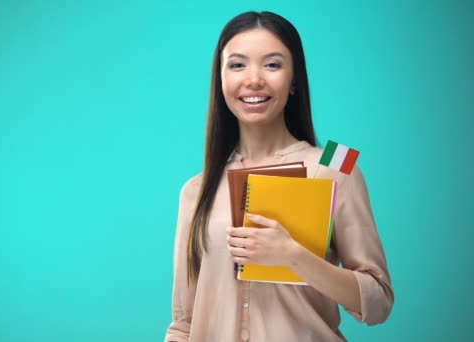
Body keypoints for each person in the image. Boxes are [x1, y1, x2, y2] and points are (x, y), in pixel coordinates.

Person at [164, 11, 394, 342]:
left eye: (272, 65)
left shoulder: (336, 165)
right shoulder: (196, 189)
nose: (254, 79)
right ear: (220, 79)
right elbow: (183, 324)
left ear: (295, 79)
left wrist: (293, 256)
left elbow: (379, 301)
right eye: (237, 65)